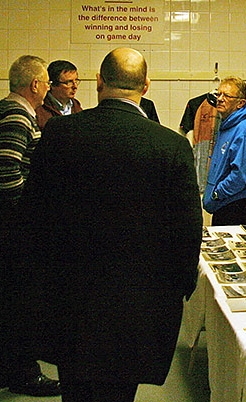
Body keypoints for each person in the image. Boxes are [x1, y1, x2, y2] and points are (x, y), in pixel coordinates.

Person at [14, 48, 203, 402]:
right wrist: (177, 291)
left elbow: (33, 218)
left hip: (70, 299)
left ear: (99, 81)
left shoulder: (59, 134)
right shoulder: (171, 146)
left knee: (75, 388)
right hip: (137, 304)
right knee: (119, 391)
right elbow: (187, 233)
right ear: (145, 86)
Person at [0, 55, 61, 396]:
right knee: (23, 298)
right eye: (46, 83)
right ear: (36, 85)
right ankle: (23, 372)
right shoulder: (16, 114)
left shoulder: (4, 108)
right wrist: (38, 203)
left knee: (4, 295)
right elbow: (9, 175)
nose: (48, 89)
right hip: (7, 217)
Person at [202, 76, 246, 225]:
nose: (220, 99)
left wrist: (217, 193)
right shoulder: (226, 125)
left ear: (240, 103)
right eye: (219, 94)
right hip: (223, 204)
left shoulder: (244, 129)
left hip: (235, 205)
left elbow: (240, 175)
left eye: (226, 96)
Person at [36, 59, 83, 129]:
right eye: (69, 82)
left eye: (76, 81)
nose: (75, 86)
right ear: (53, 85)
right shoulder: (40, 108)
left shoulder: (76, 107)